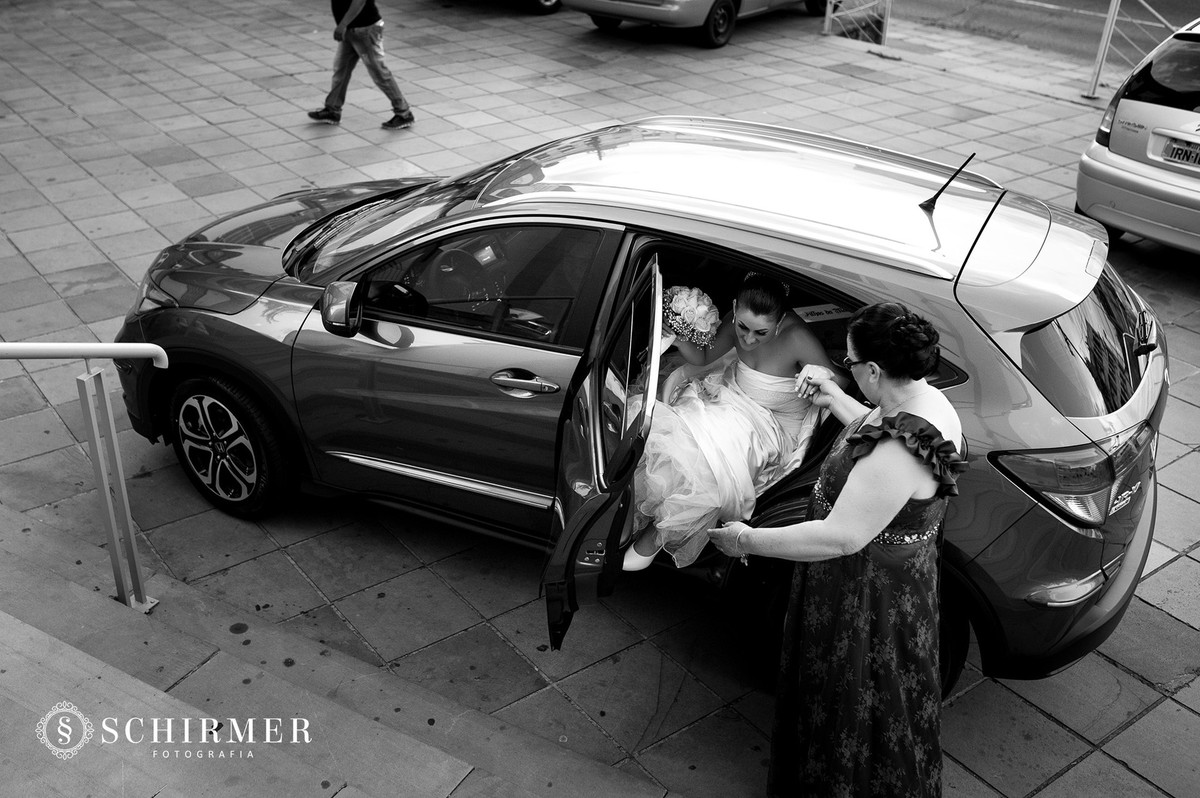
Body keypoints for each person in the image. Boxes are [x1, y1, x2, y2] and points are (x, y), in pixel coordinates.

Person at [709, 301, 968, 797]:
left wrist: (744, 539)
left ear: (874, 369)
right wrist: (834, 398)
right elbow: (875, 428)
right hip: (887, 582)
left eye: (848, 363)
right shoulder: (921, 403)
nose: (845, 368)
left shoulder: (899, 451)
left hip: (864, 599)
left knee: (854, 702)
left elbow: (841, 535)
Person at [623, 273, 844, 571]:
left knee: (715, 458)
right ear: (735, 307)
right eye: (743, 327)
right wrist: (680, 335)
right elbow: (702, 357)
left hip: (775, 424)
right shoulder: (732, 320)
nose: (749, 339)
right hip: (732, 397)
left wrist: (820, 372)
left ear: (779, 323)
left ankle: (655, 534)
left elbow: (841, 379)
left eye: (761, 333)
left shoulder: (797, 337)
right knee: (677, 433)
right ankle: (638, 516)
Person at [308, 0, 416, 130]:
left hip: (365, 29)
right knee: (341, 70)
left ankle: (404, 113)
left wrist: (342, 25)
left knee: (379, 72)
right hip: (350, 30)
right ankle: (332, 110)